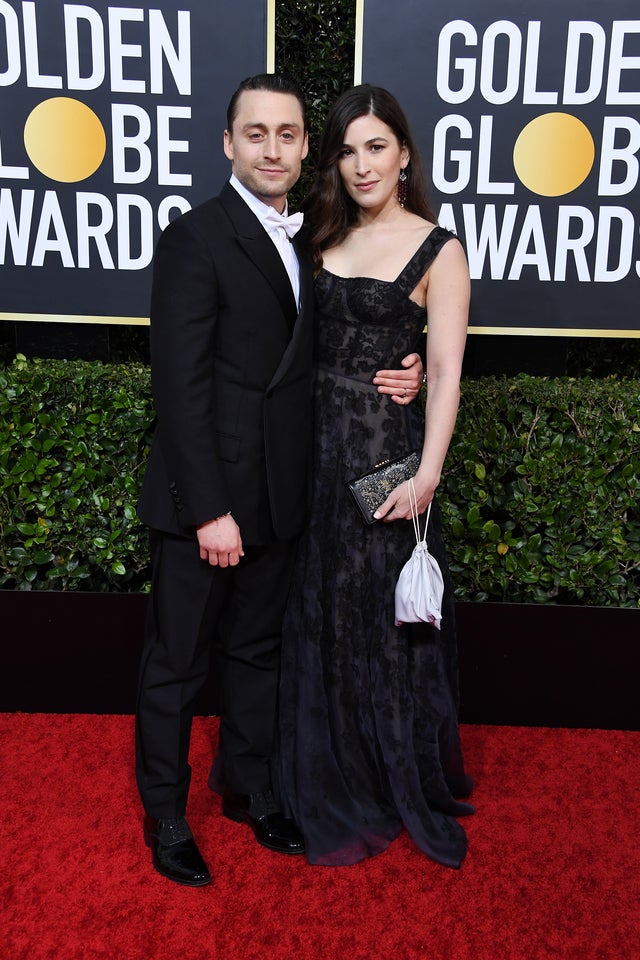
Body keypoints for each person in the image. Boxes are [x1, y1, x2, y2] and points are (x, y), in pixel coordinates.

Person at [135, 73, 423, 887]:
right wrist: (210, 512)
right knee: (177, 665)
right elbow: (180, 388)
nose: (272, 147)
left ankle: (253, 791)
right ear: (229, 144)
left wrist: (406, 372)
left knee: (258, 654)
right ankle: (164, 814)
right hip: (211, 508)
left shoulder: (310, 240)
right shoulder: (197, 237)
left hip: (284, 500)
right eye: (255, 133)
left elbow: (330, 356)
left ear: (306, 150)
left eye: (288, 134)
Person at [276, 84, 475, 869]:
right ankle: (313, 765)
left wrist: (427, 473)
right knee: (312, 609)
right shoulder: (315, 233)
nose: (361, 165)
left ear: (404, 156)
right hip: (307, 457)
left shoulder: (439, 247)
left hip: (383, 462)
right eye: (348, 150)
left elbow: (453, 372)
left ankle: (378, 771)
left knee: (376, 622)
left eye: (376, 147)